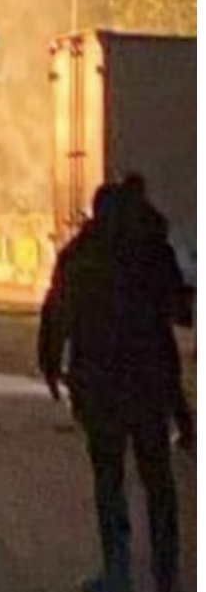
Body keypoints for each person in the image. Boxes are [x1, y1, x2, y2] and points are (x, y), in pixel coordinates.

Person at [39, 182, 182, 592]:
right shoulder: (151, 251)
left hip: (99, 383)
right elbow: (178, 307)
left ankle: (117, 572)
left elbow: (56, 313)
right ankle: (166, 572)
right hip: (148, 381)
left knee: (110, 479)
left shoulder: (81, 254)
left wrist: (50, 364)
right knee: (158, 478)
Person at [120, 173, 195, 449]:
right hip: (155, 324)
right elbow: (171, 282)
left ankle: (135, 425)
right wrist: (179, 311)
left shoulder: (117, 237)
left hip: (127, 323)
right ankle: (183, 429)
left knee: (130, 376)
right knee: (168, 379)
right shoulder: (155, 236)